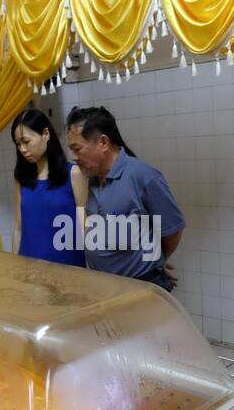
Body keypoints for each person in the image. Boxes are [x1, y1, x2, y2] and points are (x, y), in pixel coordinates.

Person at [64, 106, 185, 290]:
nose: (73, 157)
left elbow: (172, 230)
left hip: (140, 287)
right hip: (105, 286)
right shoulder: (92, 179)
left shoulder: (143, 176)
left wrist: (155, 263)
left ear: (103, 142)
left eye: (77, 149)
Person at [10, 109, 87, 267]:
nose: (22, 149)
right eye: (18, 144)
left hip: (68, 265)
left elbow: (85, 225)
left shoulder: (73, 174)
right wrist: (15, 266)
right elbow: (18, 228)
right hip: (30, 267)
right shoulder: (22, 179)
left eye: (26, 141)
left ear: (45, 134)